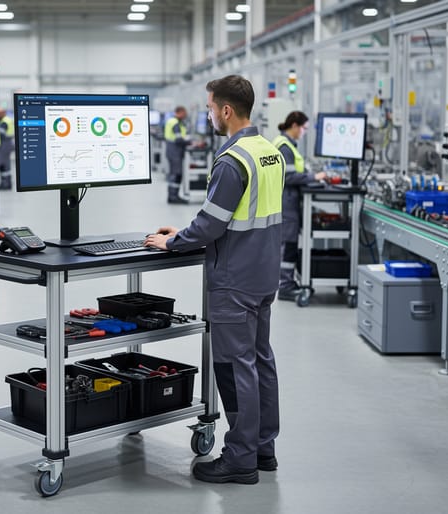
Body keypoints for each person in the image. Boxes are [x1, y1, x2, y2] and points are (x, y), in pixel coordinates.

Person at [145, 75, 285, 485]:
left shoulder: (231, 161)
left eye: (209, 108)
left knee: (234, 367)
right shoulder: (268, 152)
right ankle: (263, 448)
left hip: (234, 281)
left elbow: (210, 225)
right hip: (262, 276)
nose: (208, 115)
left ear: (226, 110)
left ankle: (240, 459)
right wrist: (186, 234)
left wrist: (173, 242)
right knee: (261, 363)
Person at [271, 111, 327, 301]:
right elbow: (290, 176)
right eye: (304, 128)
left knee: (288, 244)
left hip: (285, 200)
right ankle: (285, 285)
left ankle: (287, 282)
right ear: (294, 125)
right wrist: (314, 177)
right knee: (289, 245)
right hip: (287, 202)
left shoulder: (282, 142)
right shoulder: (285, 146)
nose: (304, 132)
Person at [164, 105, 189, 204]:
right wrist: (190, 142)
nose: (185, 115)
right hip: (175, 151)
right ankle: (173, 197)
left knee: (174, 174)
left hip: (172, 150)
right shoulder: (175, 123)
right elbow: (179, 139)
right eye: (184, 113)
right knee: (176, 174)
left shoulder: (172, 121)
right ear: (180, 112)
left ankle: (173, 196)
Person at [0, 107, 14, 190]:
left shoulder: (4, 122)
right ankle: (7, 183)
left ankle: (5, 184)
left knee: (4, 164)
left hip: (4, 144)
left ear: (3, 113)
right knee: (6, 164)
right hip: (8, 143)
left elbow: (0, 134)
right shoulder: (7, 120)